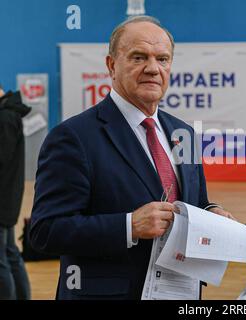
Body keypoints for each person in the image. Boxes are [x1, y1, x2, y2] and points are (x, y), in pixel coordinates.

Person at [30, 16, 235, 300]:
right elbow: (45, 230)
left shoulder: (182, 131)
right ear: (112, 66)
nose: (153, 68)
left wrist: (211, 212)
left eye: (162, 59)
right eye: (139, 57)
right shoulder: (74, 137)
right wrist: (129, 226)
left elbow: (196, 202)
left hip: (180, 292)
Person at [0, 84, 32, 299]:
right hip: (7, 198)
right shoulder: (9, 115)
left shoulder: (5, 118)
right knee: (10, 253)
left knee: (2, 260)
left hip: (2, 199)